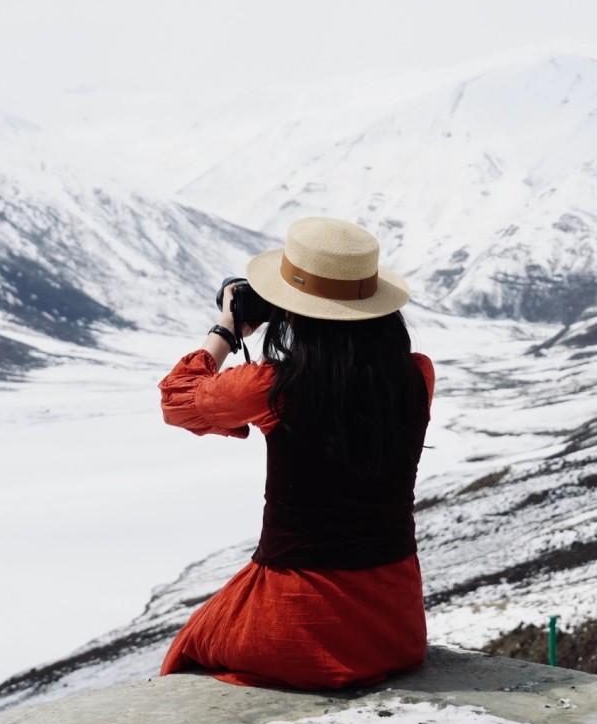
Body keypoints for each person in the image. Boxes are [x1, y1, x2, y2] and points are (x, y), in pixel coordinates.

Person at [156, 215, 435, 690]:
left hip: (294, 616)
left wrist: (227, 326)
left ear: (292, 309)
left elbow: (177, 399)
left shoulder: (273, 387)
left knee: (191, 651)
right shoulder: (416, 376)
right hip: (395, 625)